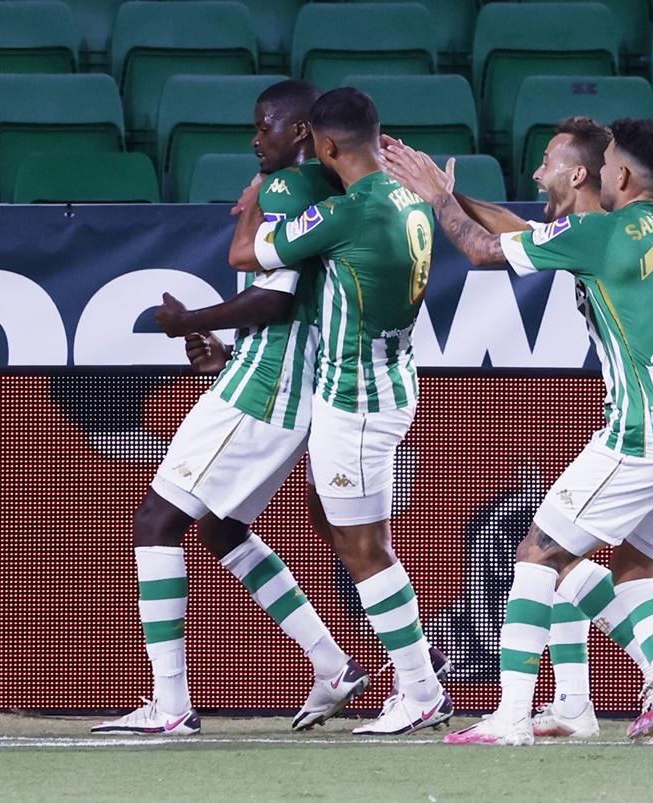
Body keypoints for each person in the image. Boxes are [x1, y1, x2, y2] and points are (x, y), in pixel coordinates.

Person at [386, 118, 653, 747]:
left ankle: (511, 714)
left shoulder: (599, 231)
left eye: (605, 166)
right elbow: (530, 234)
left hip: (643, 433)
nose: (598, 174)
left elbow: (485, 251)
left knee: (537, 554)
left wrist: (438, 200)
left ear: (618, 175)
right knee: (629, 573)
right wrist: (449, 191)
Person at [91, 80, 367, 737]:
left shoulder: (291, 190)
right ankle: (331, 666)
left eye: (264, 124)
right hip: (278, 384)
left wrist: (191, 318)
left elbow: (274, 297)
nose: (254, 136)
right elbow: (288, 302)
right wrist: (223, 344)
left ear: (301, 131)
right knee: (220, 530)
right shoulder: (320, 195)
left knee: (155, 521)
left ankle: (172, 704)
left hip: (262, 390)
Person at [230, 87, 452, 735]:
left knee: (364, 548)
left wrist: (253, 201)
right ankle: (420, 679)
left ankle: (419, 688)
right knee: (341, 524)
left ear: (325, 147)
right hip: (390, 379)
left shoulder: (348, 211)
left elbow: (247, 255)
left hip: (353, 399)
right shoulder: (408, 196)